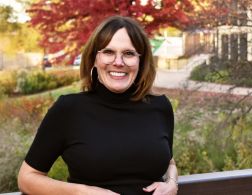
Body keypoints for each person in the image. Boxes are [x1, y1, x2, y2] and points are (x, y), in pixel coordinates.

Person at [18, 15, 178, 195]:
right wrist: (82, 192)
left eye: (129, 53)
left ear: (141, 62)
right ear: (94, 58)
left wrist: (172, 183)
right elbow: (27, 178)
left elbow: (169, 161)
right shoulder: (69, 109)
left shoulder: (160, 107)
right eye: (108, 52)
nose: (118, 62)